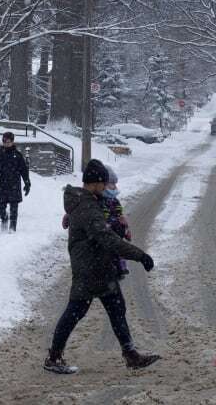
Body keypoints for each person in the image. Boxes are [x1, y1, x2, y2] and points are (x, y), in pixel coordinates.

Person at [44, 159, 160, 374]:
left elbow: (107, 230)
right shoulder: (86, 206)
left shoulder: (90, 201)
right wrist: (140, 255)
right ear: (95, 182)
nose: (106, 186)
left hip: (101, 268)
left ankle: (131, 355)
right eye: (104, 183)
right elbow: (107, 238)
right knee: (74, 313)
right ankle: (53, 357)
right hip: (89, 269)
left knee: (117, 309)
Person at [0, 132, 30, 232]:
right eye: (4, 141)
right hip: (1, 184)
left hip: (14, 185)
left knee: (14, 207)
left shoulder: (17, 155)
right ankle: (4, 218)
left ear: (12, 142)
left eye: (8, 142)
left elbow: (24, 170)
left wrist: (27, 183)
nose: (6, 143)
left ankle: (12, 227)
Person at [100, 165, 130, 278]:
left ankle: (121, 267)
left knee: (119, 249)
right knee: (107, 251)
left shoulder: (114, 200)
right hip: (106, 230)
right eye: (111, 184)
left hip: (116, 230)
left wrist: (124, 224)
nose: (114, 187)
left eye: (114, 184)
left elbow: (118, 211)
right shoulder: (99, 200)